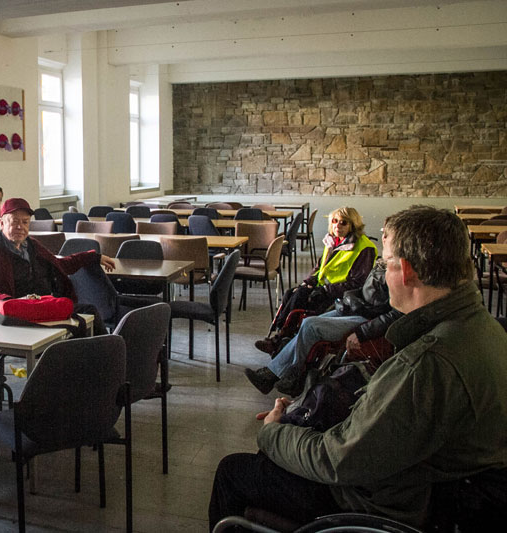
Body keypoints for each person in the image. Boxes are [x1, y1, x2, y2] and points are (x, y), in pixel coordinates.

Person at [209, 206, 507, 531]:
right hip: (442, 487)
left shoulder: (424, 363)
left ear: (405, 271)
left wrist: (273, 431)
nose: (381, 268)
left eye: (385, 261)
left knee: (233, 471)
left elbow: (337, 461)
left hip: (386, 505)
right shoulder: (486, 328)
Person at [245, 257, 402, 396]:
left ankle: (290, 374)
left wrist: (361, 333)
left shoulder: (397, 272)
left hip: (367, 321)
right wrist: (350, 297)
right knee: (306, 318)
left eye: (386, 235)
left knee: (311, 325)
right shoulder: (381, 263)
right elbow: (361, 289)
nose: (383, 238)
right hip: (354, 308)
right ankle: (276, 371)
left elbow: (393, 314)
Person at [0, 197, 115, 334]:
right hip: (19, 314)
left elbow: (61, 265)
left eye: (25, 222)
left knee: (88, 313)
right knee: (82, 322)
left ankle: (105, 356)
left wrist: (93, 256)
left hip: (43, 305)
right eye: (14, 221)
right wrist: (7, 301)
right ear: (2, 223)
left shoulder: (32, 245)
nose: (20, 227)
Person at [255, 207, 377, 355]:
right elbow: (319, 268)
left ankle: (281, 338)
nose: (337, 225)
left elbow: (358, 283)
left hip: (339, 294)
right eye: (334, 221)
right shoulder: (333, 241)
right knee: (291, 293)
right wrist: (308, 281)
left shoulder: (364, 248)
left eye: (343, 223)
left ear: (353, 225)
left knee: (299, 297)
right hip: (323, 287)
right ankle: (280, 334)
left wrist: (325, 289)